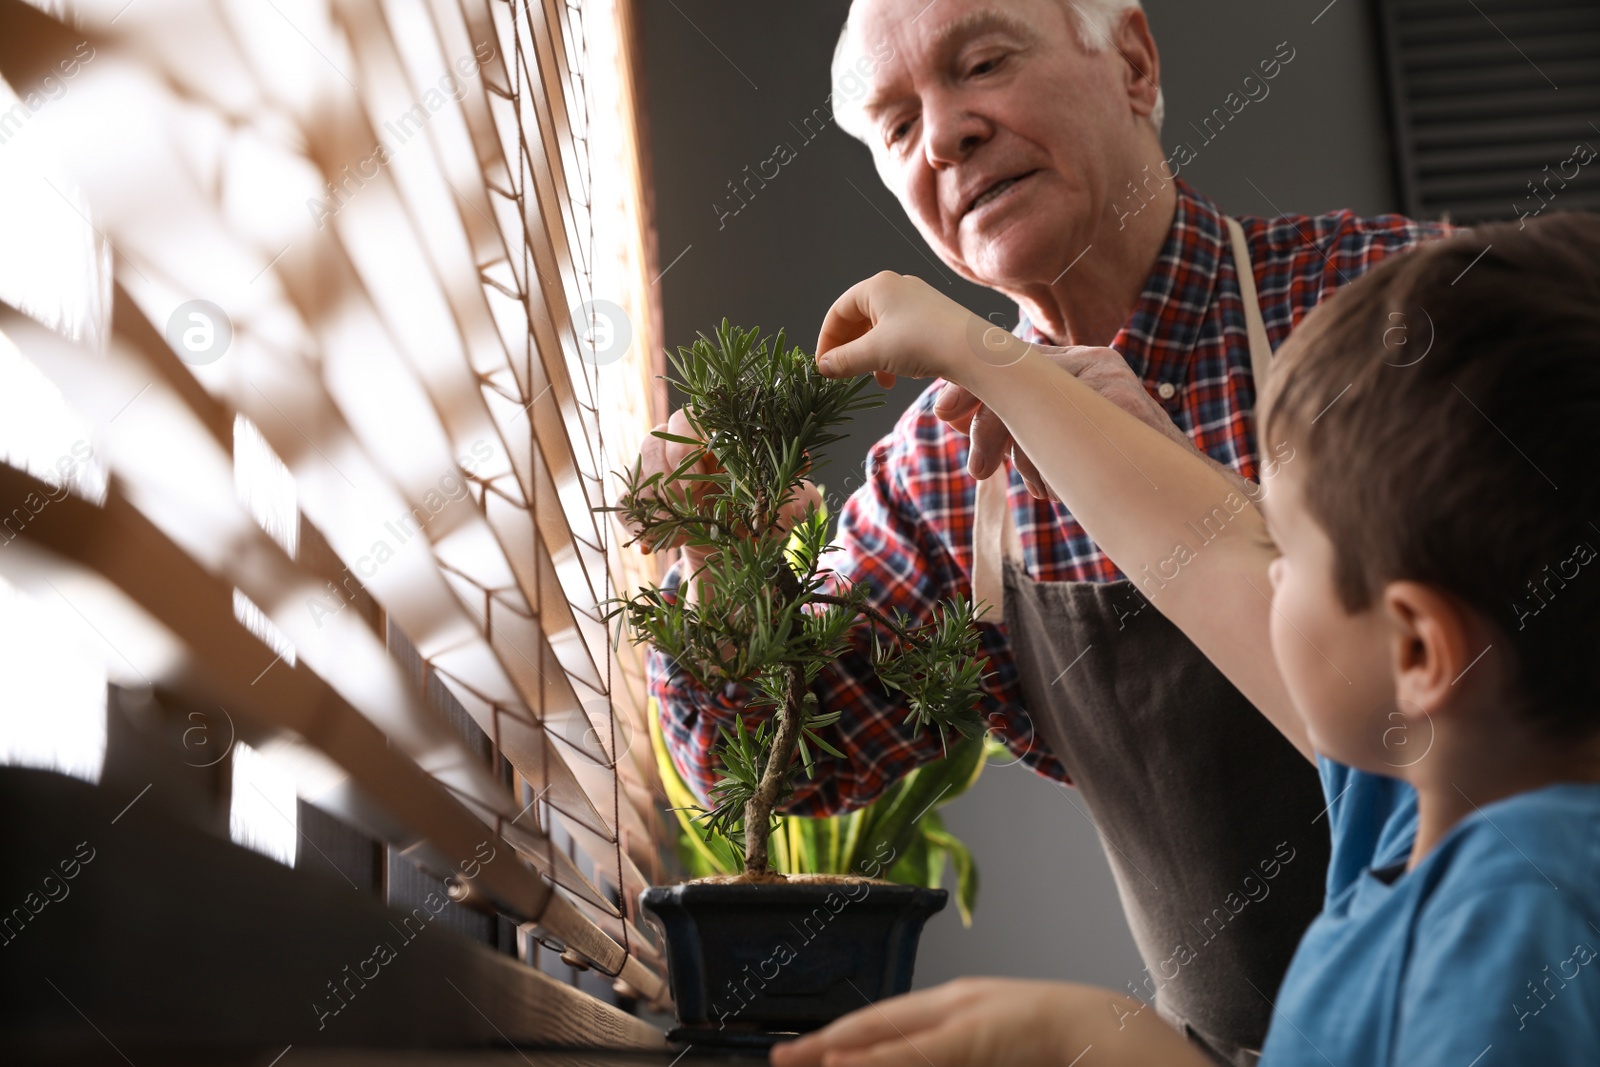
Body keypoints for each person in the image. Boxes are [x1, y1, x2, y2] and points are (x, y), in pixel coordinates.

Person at [640, 2, 1446, 1060]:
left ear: (1134, 61)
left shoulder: (1385, 307)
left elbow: (1504, 674)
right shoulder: (943, 464)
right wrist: (707, 552)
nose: (944, 134)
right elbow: (767, 760)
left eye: (981, 64)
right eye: (894, 125)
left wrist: (1162, 481)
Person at [769, 213, 1600, 1066]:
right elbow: (1201, 553)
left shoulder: (1513, 926)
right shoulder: (1422, 799)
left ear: (1418, 653)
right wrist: (985, 355)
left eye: (1284, 545)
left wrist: (1108, 1045)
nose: (1261, 567)